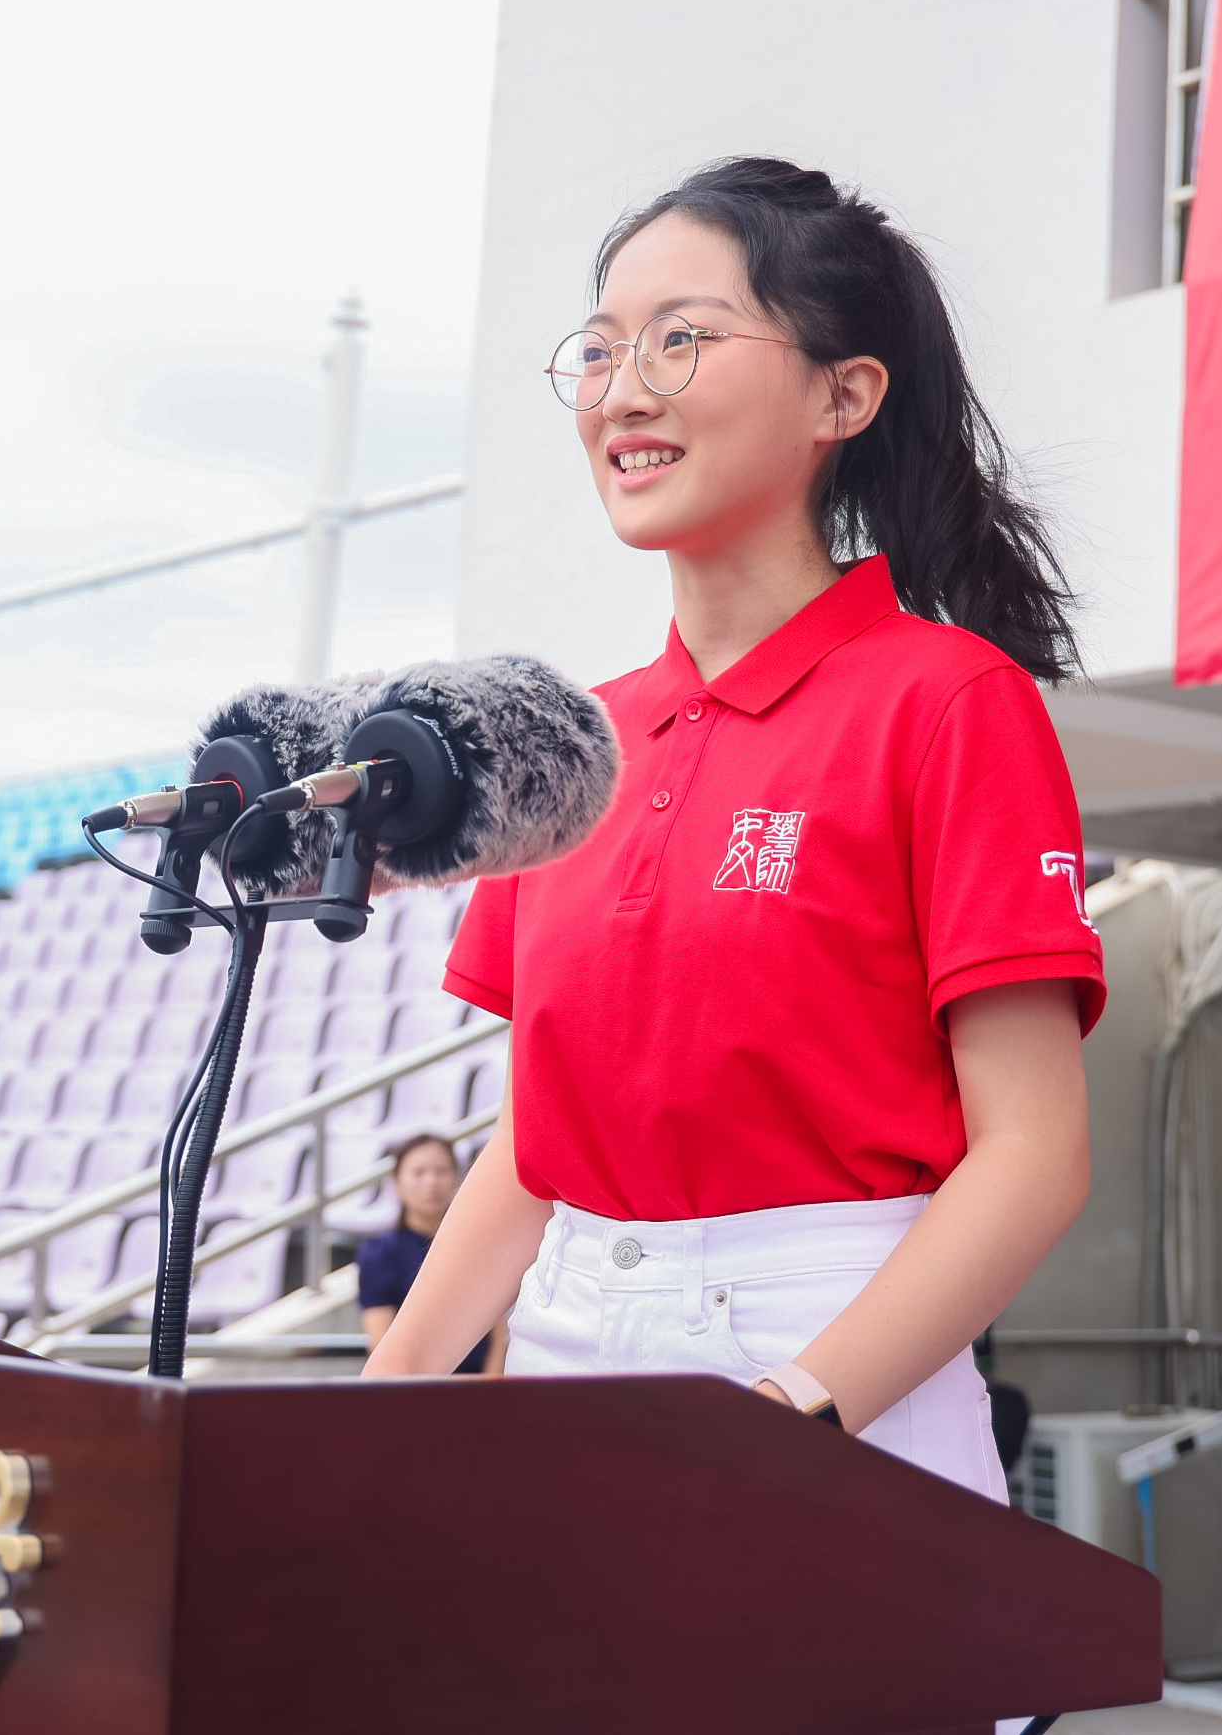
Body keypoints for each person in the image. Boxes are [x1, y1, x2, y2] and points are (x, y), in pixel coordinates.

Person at [361, 157, 1102, 1509]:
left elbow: (1034, 1153)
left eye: (679, 339)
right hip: (571, 1353)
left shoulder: (949, 702)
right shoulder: (573, 739)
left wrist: (792, 1415)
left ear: (842, 395)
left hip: (832, 1364)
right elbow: (540, 1140)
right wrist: (385, 1395)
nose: (621, 391)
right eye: (599, 348)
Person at [355, 1133, 501, 1374]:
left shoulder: (477, 1243)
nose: (431, 1182)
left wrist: (490, 1389)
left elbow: (496, 1334)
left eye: (441, 1171)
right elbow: (379, 1339)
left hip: (479, 1386)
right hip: (414, 1386)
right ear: (397, 1182)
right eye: (418, 1172)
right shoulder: (379, 1253)